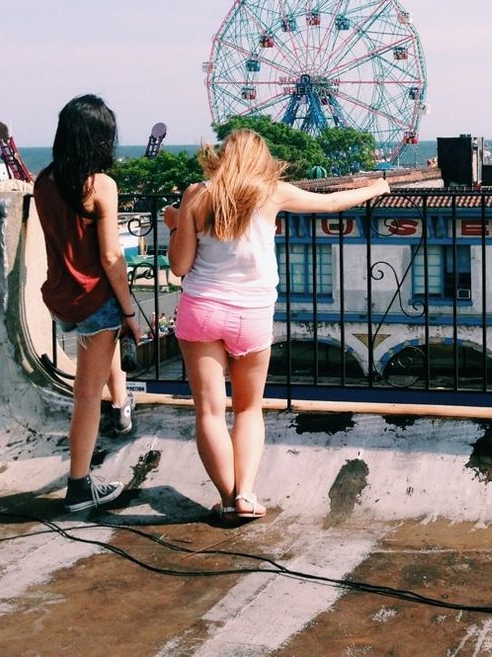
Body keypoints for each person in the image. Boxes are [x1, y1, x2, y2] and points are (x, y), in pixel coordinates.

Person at [165, 129, 389, 519]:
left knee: (209, 412)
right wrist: (377, 186)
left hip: (201, 309)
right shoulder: (273, 192)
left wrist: (176, 224)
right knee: (250, 409)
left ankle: (226, 496)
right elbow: (333, 203)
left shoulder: (196, 194)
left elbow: (179, 266)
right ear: (261, 159)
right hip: (251, 314)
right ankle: (247, 495)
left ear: (223, 156)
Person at [34, 95, 143, 512]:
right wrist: (131, 313)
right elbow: (112, 258)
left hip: (61, 300)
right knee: (85, 395)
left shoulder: (43, 182)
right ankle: (79, 486)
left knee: (97, 360)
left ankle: (121, 406)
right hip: (95, 301)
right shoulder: (100, 186)